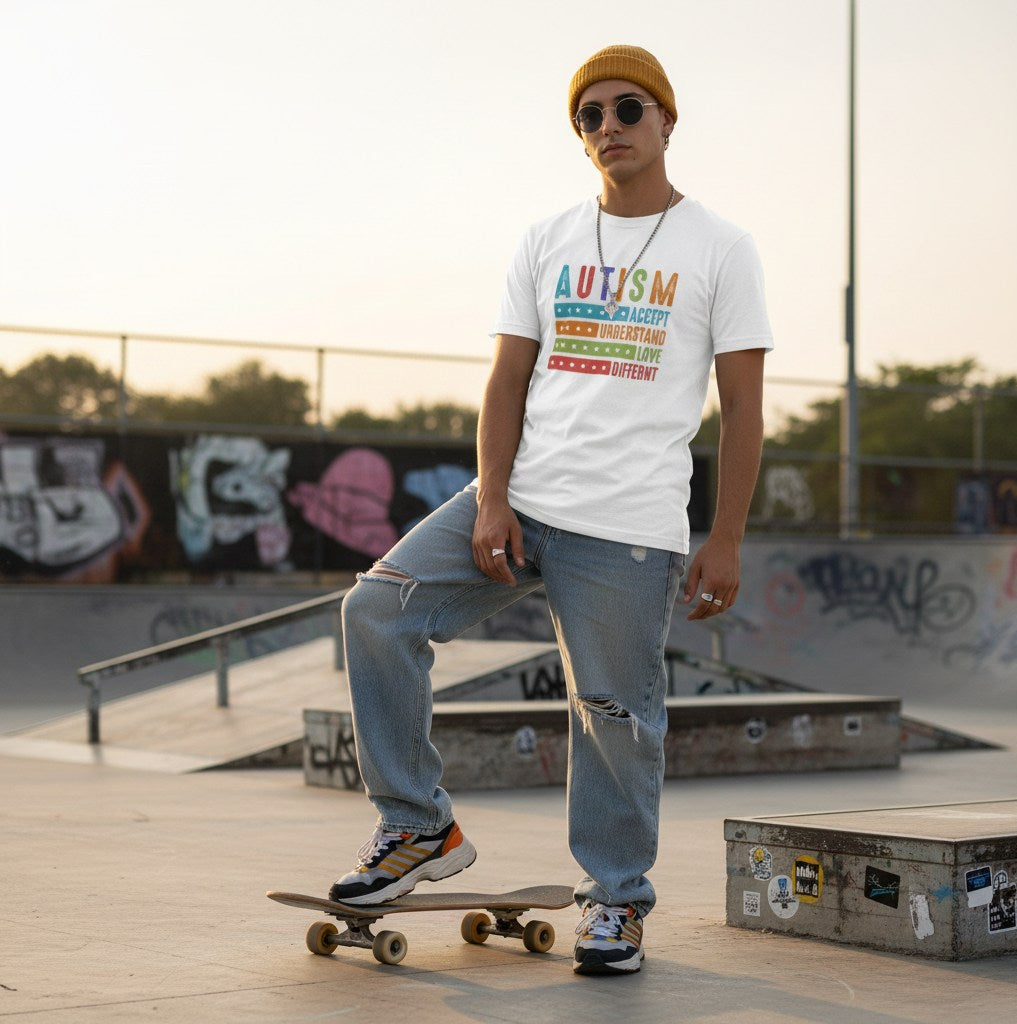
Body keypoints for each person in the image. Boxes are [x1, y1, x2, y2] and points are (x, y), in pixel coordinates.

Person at [330, 44, 773, 976]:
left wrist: (725, 536)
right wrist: (492, 496)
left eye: (626, 110)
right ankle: (419, 827)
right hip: (522, 505)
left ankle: (614, 900)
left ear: (665, 121)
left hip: (630, 531)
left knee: (612, 716)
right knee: (376, 608)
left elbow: (742, 410)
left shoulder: (721, 248)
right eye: (590, 118)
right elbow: (506, 380)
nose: (608, 129)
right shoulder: (546, 239)